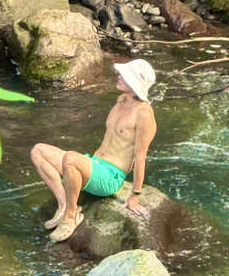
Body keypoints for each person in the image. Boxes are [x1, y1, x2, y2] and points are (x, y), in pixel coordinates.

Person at [30, 59, 157, 242]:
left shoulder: (145, 114)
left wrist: (135, 196)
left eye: (125, 76)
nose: (119, 76)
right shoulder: (121, 99)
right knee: (39, 151)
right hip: (94, 164)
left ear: (135, 83)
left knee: (72, 159)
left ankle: (71, 216)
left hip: (110, 177)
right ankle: (64, 204)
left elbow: (141, 157)